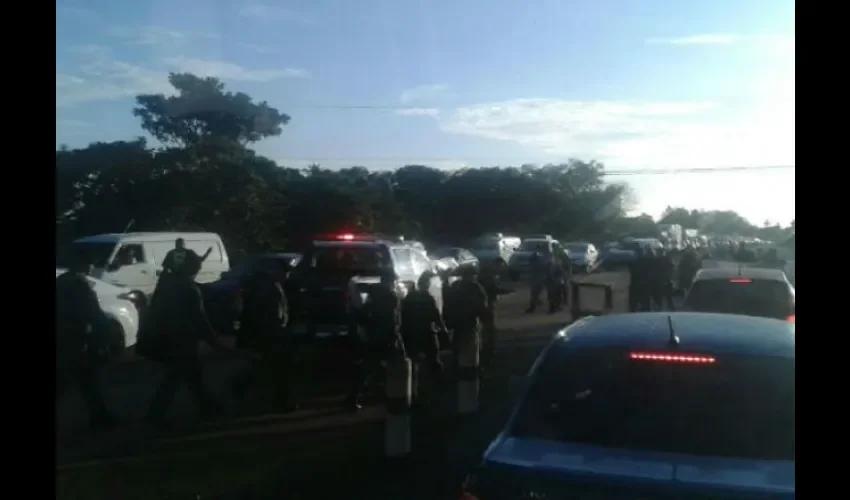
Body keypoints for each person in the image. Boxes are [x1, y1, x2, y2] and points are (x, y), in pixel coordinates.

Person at [144, 276, 228, 428]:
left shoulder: (171, 286)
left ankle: (208, 407)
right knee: (181, 376)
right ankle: (155, 414)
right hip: (185, 340)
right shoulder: (189, 289)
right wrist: (212, 339)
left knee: (188, 376)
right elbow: (199, 317)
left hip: (175, 338)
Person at [56, 252, 118, 431]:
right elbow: (93, 314)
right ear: (84, 265)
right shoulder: (79, 285)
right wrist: (104, 336)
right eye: (90, 264)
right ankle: (100, 417)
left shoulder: (62, 281)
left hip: (64, 337)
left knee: (85, 379)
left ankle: (100, 415)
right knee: (72, 378)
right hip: (75, 338)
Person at [232, 270, 297, 412]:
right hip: (271, 333)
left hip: (261, 333)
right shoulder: (273, 288)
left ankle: (240, 387)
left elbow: (241, 312)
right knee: (277, 368)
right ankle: (281, 401)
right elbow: (278, 312)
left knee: (263, 365)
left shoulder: (253, 288)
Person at [345, 268, 404, 411]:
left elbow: (364, 313)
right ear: (389, 281)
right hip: (386, 336)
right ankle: (397, 397)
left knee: (369, 367)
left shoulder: (373, 295)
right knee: (398, 366)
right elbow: (392, 321)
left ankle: (355, 396)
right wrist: (396, 338)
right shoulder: (390, 297)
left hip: (373, 336)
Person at [400, 271, 445, 407]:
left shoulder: (409, 298)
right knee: (434, 361)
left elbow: (402, 315)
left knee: (414, 364)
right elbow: (435, 315)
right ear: (425, 284)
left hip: (411, 333)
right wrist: (443, 329)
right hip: (426, 332)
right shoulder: (427, 298)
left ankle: (413, 393)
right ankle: (437, 389)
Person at [443, 265, 488, 373]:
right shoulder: (475, 287)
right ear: (472, 275)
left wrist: (448, 320)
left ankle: (456, 368)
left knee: (458, 346)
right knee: (472, 346)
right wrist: (484, 319)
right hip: (470, 322)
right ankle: (473, 369)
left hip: (457, 322)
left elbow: (447, 303)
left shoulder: (455, 285)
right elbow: (481, 306)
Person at [477, 260, 510, 366]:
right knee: (489, 329)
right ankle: (487, 352)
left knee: (488, 329)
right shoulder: (488, 275)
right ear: (496, 265)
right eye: (501, 267)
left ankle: (487, 350)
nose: (501, 269)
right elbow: (492, 289)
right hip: (486, 305)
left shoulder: (488, 274)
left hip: (487, 304)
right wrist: (506, 291)